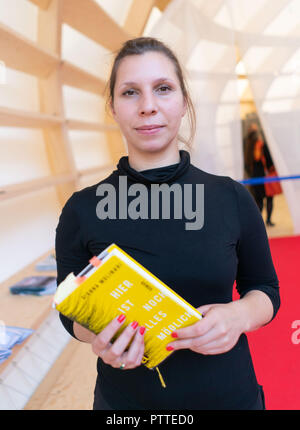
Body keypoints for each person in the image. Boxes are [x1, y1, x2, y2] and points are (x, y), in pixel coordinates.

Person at [55, 37, 280, 410]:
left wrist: (240, 315)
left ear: (183, 101)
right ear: (112, 107)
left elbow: (265, 289)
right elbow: (69, 310)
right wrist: (97, 332)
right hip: (125, 405)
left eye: (163, 88)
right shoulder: (82, 210)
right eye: (130, 92)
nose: (148, 106)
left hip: (230, 397)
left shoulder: (230, 198)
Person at [244, 125, 276, 226]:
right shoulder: (262, 146)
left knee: (259, 201)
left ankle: (258, 223)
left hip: (255, 177)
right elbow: (270, 162)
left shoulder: (248, 148)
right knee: (269, 198)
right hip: (266, 177)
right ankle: (268, 221)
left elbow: (246, 165)